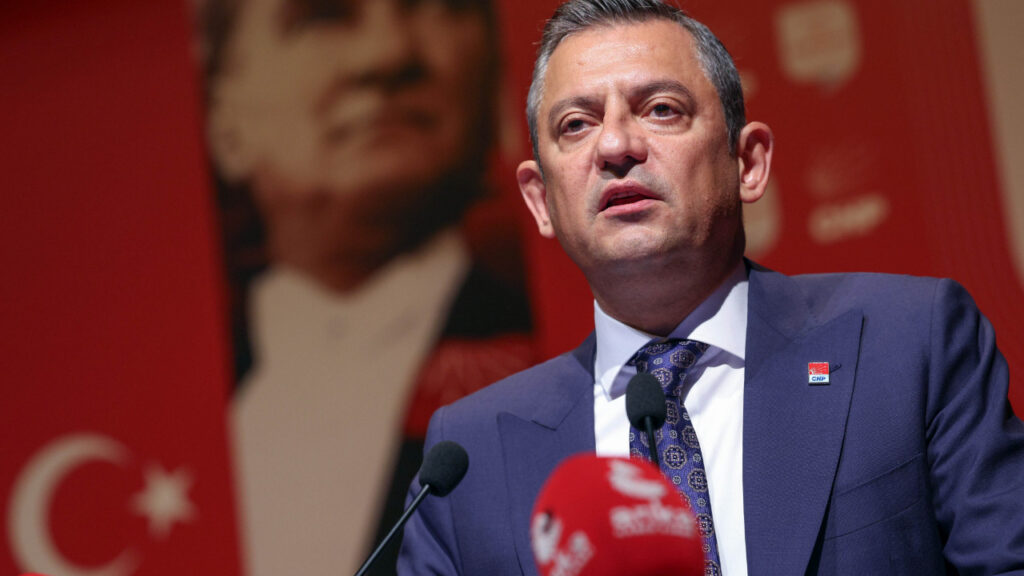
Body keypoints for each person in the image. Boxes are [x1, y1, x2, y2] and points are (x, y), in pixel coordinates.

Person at [398, 0, 1024, 574]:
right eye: (576, 124)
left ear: (748, 163)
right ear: (540, 200)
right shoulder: (468, 458)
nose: (615, 145)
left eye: (660, 109)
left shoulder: (909, 343)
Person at [196, 0, 533, 574]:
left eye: (436, 6)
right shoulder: (168, 399)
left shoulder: (578, 367)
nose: (387, 53)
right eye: (322, 16)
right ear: (224, 117)